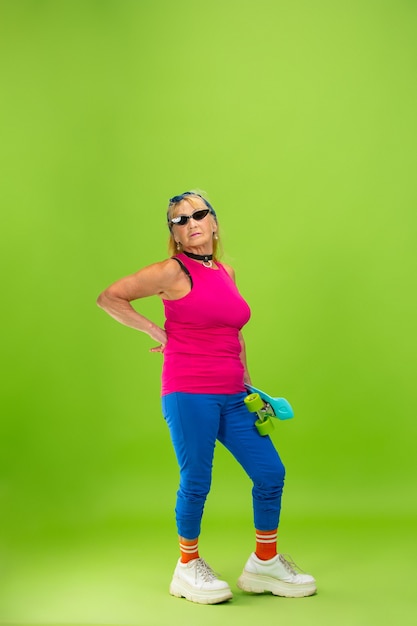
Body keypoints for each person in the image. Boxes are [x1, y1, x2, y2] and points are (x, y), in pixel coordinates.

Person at [97, 191, 316, 604]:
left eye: (199, 214)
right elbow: (109, 297)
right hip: (189, 391)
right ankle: (186, 567)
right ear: (176, 235)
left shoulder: (226, 271)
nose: (191, 222)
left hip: (233, 394)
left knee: (271, 473)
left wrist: (249, 383)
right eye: (180, 220)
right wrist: (155, 331)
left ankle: (264, 564)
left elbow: (233, 330)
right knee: (197, 481)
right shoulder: (171, 271)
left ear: (214, 223)